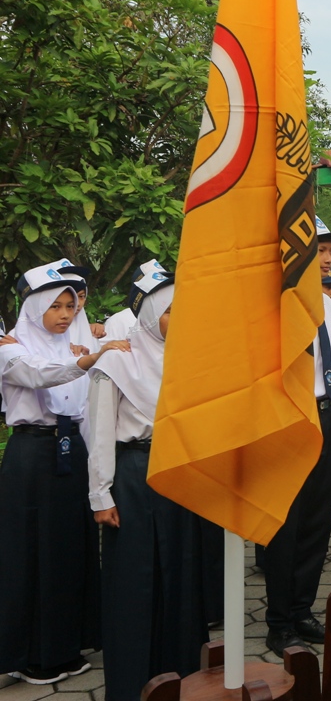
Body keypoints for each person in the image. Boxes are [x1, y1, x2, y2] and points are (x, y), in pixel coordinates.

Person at [0, 262, 132, 684]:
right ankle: (33, 655)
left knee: (70, 549)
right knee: (32, 553)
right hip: (31, 458)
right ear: (34, 307)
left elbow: (85, 412)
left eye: (70, 306)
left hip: (70, 452)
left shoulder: (71, 349)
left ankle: (70, 642)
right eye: (54, 306)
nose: (64, 314)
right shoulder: (11, 347)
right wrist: (88, 360)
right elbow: (37, 375)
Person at [88, 269, 209, 701]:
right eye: (172, 311)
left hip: (177, 471)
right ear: (151, 313)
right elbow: (100, 431)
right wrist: (100, 494)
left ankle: (180, 678)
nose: (180, 319)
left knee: (181, 574)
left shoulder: (188, 358)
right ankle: (131, 684)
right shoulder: (116, 361)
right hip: (134, 475)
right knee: (133, 581)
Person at [260, 216, 331, 656]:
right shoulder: (276, 303)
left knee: (318, 519)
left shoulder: (327, 306)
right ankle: (278, 621)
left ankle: (302, 609)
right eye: (319, 250)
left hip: (326, 411)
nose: (328, 257)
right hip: (291, 416)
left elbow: (330, 358)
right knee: (287, 523)